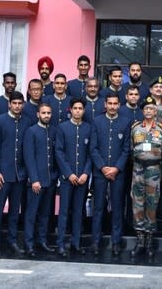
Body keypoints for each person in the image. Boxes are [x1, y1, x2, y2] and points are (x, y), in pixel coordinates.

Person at [0, 91, 31, 258]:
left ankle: (12, 242)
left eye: (20, 103)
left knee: (15, 212)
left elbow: (28, 149)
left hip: (20, 175)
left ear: (23, 104)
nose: (17, 106)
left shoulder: (27, 122)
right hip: (3, 175)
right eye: (14, 103)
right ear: (9, 104)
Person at [90, 93, 132, 256]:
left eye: (116, 103)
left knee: (117, 207)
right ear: (105, 105)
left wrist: (116, 168)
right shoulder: (97, 121)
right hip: (100, 172)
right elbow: (93, 148)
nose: (113, 106)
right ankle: (95, 241)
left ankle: (116, 241)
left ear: (119, 105)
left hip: (118, 172)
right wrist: (102, 167)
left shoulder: (125, 122)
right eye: (110, 103)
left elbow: (126, 149)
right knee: (98, 207)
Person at [129, 96, 162, 258]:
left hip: (154, 170)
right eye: (146, 108)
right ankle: (140, 241)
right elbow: (131, 149)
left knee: (152, 204)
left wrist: (158, 164)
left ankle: (149, 241)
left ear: (155, 111)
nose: (149, 111)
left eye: (151, 109)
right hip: (138, 169)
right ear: (142, 111)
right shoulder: (135, 128)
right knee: (137, 204)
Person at [55, 98, 93, 257]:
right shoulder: (63, 128)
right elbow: (59, 152)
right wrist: (68, 173)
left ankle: (75, 244)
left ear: (84, 111)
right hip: (66, 178)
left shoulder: (88, 128)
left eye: (80, 108)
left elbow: (92, 152)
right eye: (75, 108)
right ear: (70, 110)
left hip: (82, 178)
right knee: (64, 211)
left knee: (79, 211)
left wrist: (85, 173)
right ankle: (61, 244)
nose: (78, 111)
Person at [23, 103, 58, 256]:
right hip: (36, 181)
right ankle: (29, 244)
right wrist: (34, 179)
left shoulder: (53, 130)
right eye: (43, 113)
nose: (46, 115)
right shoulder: (31, 131)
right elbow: (29, 157)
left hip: (50, 180)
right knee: (31, 214)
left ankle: (42, 241)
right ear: (38, 114)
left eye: (48, 113)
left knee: (45, 214)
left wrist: (55, 176)